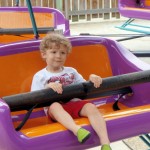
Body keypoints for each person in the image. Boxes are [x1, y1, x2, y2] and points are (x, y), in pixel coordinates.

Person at [31, 33, 112, 150]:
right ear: (44, 54)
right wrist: (47, 87)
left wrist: (92, 77)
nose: (58, 56)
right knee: (54, 106)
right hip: (55, 109)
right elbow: (34, 97)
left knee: (91, 107)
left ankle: (105, 143)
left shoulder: (71, 71)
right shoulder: (40, 76)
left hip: (73, 104)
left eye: (62, 53)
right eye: (54, 52)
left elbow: (83, 84)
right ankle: (77, 130)